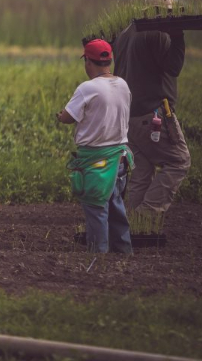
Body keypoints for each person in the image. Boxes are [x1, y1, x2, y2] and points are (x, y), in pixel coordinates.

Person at [113, 0, 190, 215]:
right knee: (179, 162)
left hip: (129, 118)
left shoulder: (126, 32)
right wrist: (178, 36)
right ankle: (145, 214)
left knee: (141, 173)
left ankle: (133, 229)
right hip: (153, 115)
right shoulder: (155, 32)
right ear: (162, 13)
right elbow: (173, 67)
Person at [57, 39, 133, 255]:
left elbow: (68, 117)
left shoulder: (87, 88)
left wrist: (59, 115)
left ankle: (98, 257)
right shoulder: (123, 84)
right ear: (110, 60)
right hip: (119, 158)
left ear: (88, 62)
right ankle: (124, 254)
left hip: (96, 161)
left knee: (96, 208)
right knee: (116, 207)